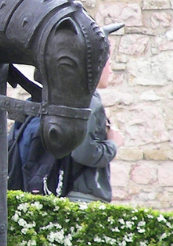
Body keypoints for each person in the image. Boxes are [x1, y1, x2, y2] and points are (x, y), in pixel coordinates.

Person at [8, 25, 122, 201]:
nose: (110, 68)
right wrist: (113, 144)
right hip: (80, 198)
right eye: (107, 62)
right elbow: (84, 153)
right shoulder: (86, 102)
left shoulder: (36, 102)